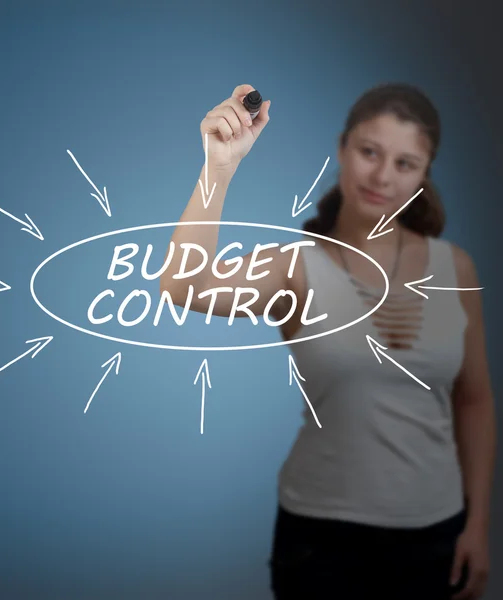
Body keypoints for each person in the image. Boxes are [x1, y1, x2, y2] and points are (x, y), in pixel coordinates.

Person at [159, 83, 496, 599]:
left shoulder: (456, 267)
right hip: (321, 541)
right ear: (343, 148)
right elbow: (185, 284)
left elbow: (474, 401)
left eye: (406, 164)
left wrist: (477, 524)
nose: (383, 176)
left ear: (425, 175)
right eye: (369, 152)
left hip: (436, 535)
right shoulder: (296, 267)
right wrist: (218, 168)